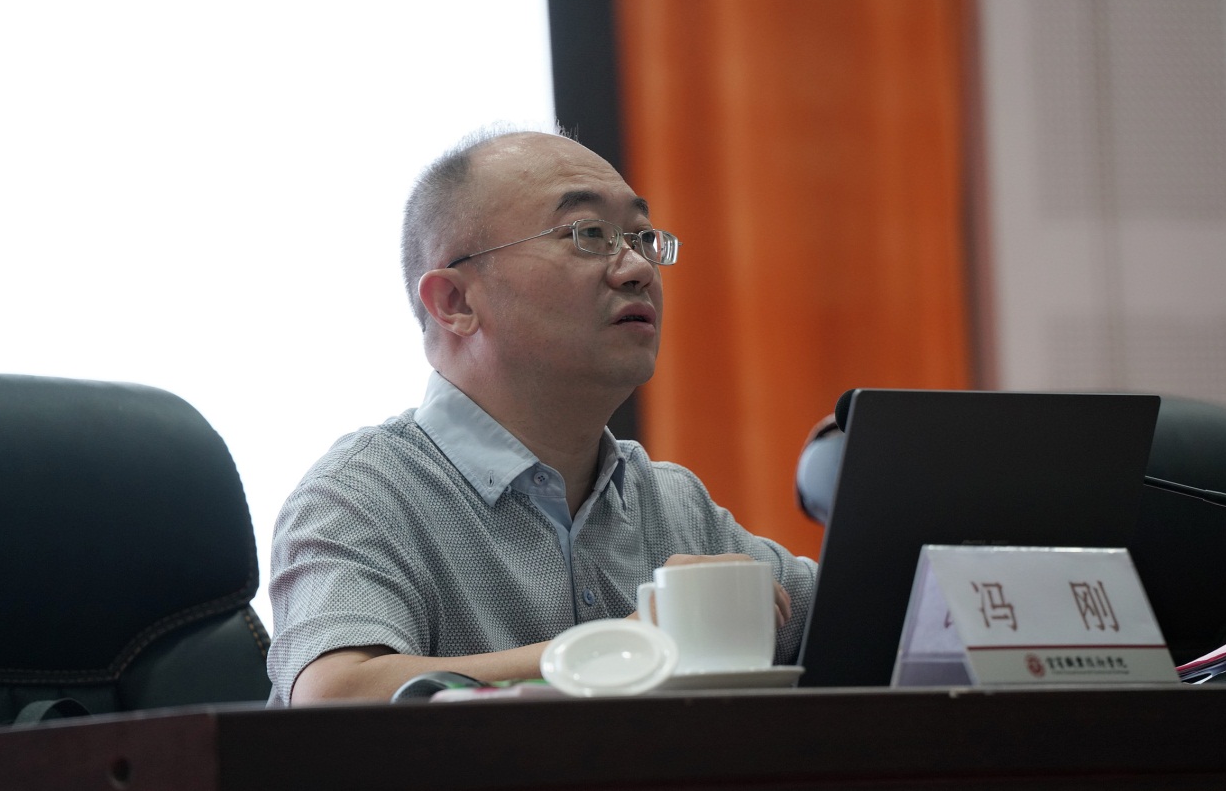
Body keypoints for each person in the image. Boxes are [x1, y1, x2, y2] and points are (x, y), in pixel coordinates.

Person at [267, 126, 818, 705]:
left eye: (641, 237)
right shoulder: (363, 492)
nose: (637, 269)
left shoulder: (673, 504)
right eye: (588, 234)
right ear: (455, 302)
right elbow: (336, 696)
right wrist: (623, 648)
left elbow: (856, 621)